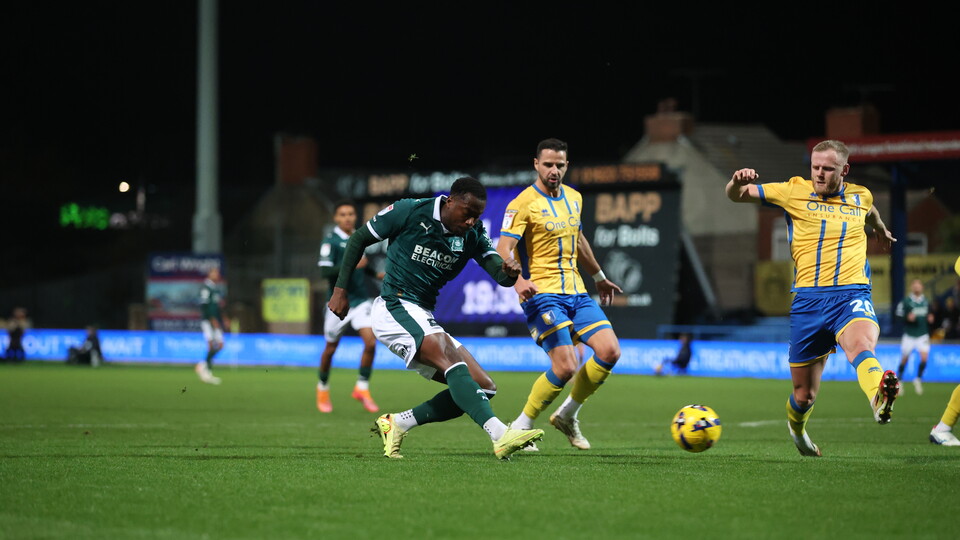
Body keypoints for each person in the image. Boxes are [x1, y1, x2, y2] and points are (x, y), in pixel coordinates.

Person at [327, 176, 544, 460]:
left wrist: (511, 273)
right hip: (395, 305)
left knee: (484, 387)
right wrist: (340, 290)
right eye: (467, 214)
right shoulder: (410, 211)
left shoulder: (473, 233)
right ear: (450, 201)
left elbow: (500, 274)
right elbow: (359, 238)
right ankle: (501, 435)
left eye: (477, 216)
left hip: (421, 313)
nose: (471, 222)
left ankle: (398, 423)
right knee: (449, 357)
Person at [726, 139, 899, 458]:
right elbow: (738, 197)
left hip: (851, 293)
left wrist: (880, 228)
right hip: (807, 301)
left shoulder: (860, 195)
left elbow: (869, 209)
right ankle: (798, 431)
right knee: (803, 395)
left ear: (844, 170)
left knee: (861, 346)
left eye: (828, 169)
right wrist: (736, 183)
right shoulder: (792, 191)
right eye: (815, 167)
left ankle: (878, 397)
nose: (819, 173)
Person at [496, 137, 623, 451]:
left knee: (609, 352)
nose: (554, 170)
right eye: (548, 164)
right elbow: (503, 249)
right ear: (536, 164)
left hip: (577, 293)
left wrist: (600, 277)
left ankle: (567, 414)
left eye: (560, 165)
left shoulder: (575, 198)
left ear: (567, 166)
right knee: (566, 366)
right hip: (542, 294)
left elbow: (579, 241)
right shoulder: (522, 203)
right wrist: (518, 280)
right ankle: (520, 428)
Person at [316, 200, 384, 413]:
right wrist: (352, 264)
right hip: (339, 302)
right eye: (342, 214)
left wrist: (377, 274)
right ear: (336, 218)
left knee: (371, 342)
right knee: (330, 349)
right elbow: (325, 272)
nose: (347, 217)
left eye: (351, 214)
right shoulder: (331, 242)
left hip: (360, 300)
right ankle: (323, 388)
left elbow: (363, 267)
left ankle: (362, 388)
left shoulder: (358, 238)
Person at [895, 278, 935, 395]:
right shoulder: (906, 301)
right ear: (912, 287)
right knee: (905, 359)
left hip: (922, 334)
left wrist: (930, 318)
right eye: (915, 285)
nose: (917, 287)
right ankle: (900, 380)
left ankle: (917, 379)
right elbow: (898, 315)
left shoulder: (926, 301)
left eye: (919, 285)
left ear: (922, 287)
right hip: (909, 334)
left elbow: (930, 314)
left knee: (924, 358)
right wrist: (907, 318)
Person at [196, 266, 228, 385]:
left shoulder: (216, 289)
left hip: (216, 321)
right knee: (211, 345)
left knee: (220, 345)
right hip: (208, 321)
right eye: (215, 273)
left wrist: (224, 318)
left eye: (217, 273)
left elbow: (218, 306)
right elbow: (204, 306)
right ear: (209, 274)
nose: (217, 275)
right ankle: (207, 373)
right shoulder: (206, 288)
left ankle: (203, 364)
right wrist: (211, 318)